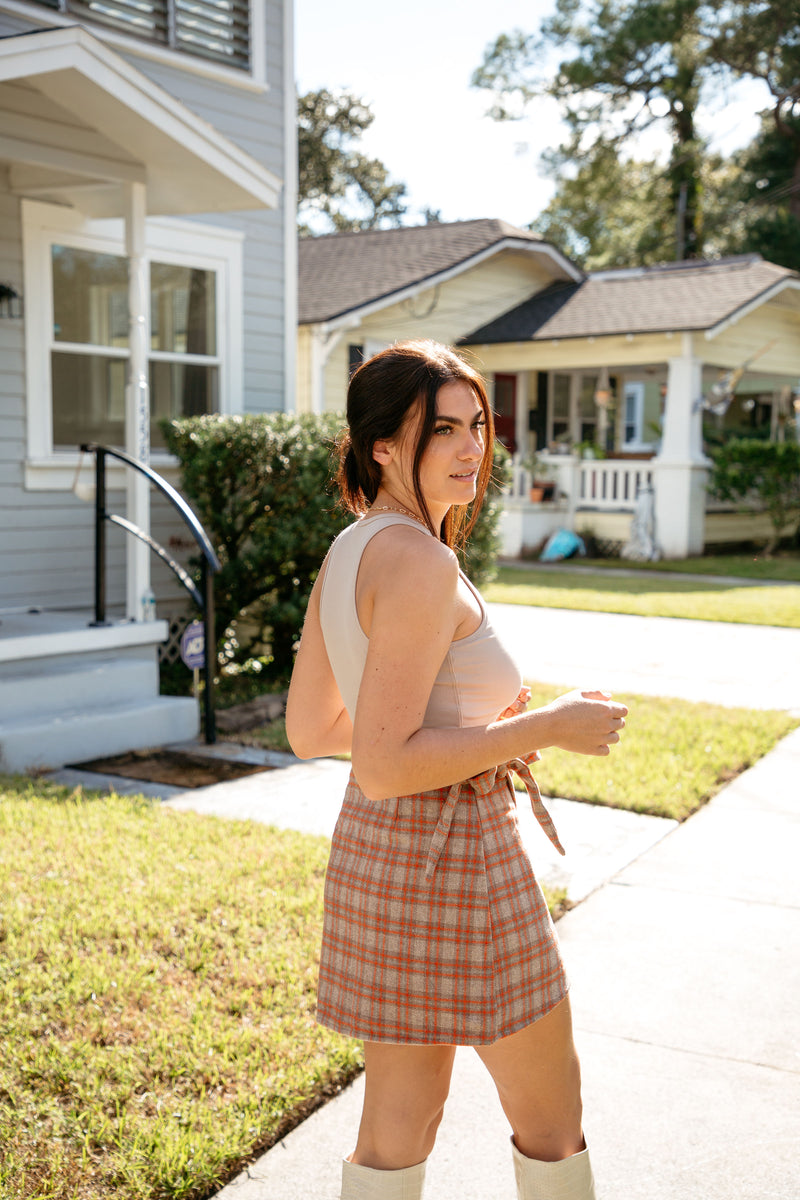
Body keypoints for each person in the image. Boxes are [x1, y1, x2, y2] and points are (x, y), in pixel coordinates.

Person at [285, 340, 627, 1200]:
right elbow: (389, 762)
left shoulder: (353, 548)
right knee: (552, 1121)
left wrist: (466, 738)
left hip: (378, 857)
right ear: (383, 448)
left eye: (478, 424)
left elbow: (313, 731)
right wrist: (540, 727)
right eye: (443, 429)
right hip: (459, 860)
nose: (473, 446)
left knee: (396, 1129)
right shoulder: (421, 562)